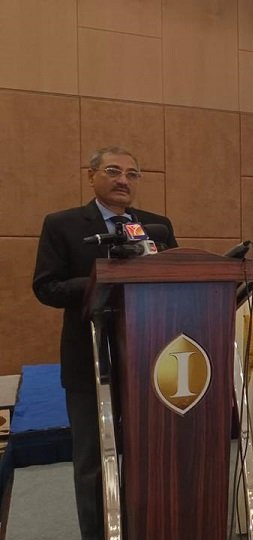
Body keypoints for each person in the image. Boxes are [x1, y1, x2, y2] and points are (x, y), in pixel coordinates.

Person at [32, 147, 178, 540]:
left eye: (132, 174)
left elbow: (175, 278)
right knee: (94, 461)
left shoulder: (157, 227)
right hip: (90, 360)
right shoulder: (62, 224)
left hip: (150, 359)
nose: (123, 180)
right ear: (91, 175)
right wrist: (103, 280)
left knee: (148, 455)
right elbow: (46, 286)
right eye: (113, 171)